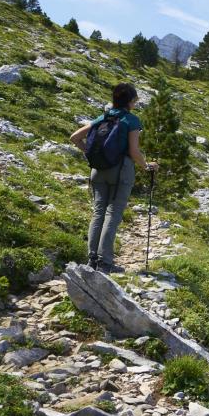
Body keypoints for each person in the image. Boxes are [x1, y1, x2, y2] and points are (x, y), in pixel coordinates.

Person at [70, 82, 159, 273]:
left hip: (97, 170)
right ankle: (105, 263)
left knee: (98, 212)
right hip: (121, 171)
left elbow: (74, 137)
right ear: (130, 101)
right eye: (134, 100)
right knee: (113, 214)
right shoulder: (131, 121)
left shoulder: (102, 118)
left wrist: (90, 153)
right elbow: (134, 152)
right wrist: (146, 166)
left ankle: (92, 260)